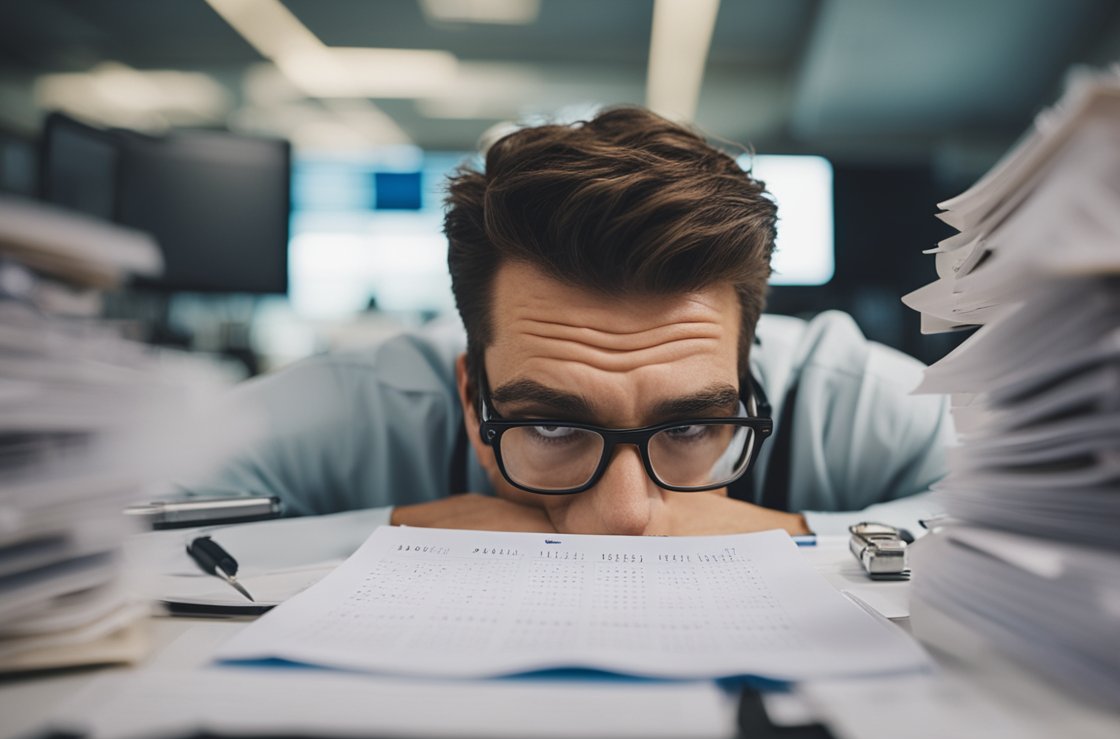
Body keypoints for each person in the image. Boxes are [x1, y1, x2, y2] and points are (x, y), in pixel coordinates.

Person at [182, 107, 951, 536]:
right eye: (550, 428)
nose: (621, 517)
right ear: (469, 395)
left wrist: (792, 533)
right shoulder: (354, 408)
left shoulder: (845, 393)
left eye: (688, 430)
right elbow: (110, 523)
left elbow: (1050, 520)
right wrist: (395, 530)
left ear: (752, 376)